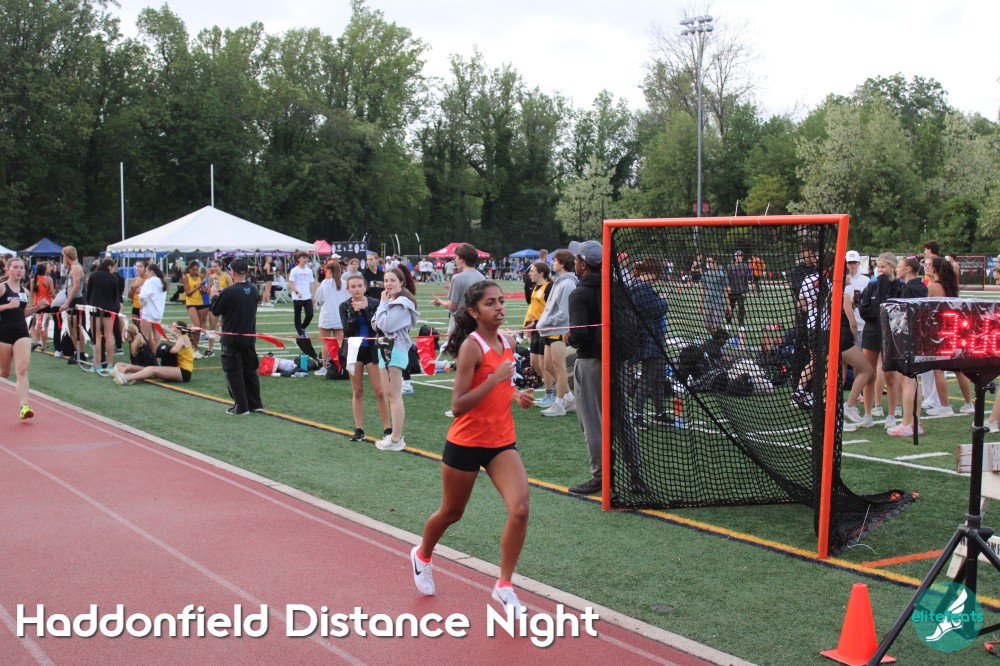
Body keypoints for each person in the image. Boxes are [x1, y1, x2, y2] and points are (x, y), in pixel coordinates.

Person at [410, 280, 534, 616]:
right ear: (474, 311)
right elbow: (458, 404)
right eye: (490, 303)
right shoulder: (471, 347)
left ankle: (504, 586)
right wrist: (495, 380)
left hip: (501, 442)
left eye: (500, 301)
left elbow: (501, 386)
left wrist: (515, 395)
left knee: (520, 508)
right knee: (452, 513)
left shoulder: (507, 341)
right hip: (465, 442)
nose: (499, 307)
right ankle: (422, 555)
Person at [566, 240, 603, 495]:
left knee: (592, 421)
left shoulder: (579, 293)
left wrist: (569, 338)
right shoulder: (614, 287)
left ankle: (599, 476)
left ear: (583, 264)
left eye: (577, 259)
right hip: (616, 361)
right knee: (621, 421)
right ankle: (634, 475)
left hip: (591, 361)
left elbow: (579, 335)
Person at [340, 274, 392, 442]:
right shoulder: (344, 306)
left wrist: (364, 310)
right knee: (357, 391)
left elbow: (378, 327)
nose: (356, 289)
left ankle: (387, 429)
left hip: (372, 349)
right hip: (354, 350)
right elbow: (347, 331)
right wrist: (354, 314)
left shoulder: (375, 303)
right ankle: (359, 429)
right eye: (353, 286)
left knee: (380, 391)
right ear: (348, 289)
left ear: (365, 287)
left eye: (359, 286)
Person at [209, 258, 263, 415]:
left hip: (232, 338)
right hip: (249, 336)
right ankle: (255, 403)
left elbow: (216, 310)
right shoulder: (253, 289)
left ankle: (241, 406)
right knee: (250, 370)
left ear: (232, 271)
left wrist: (214, 296)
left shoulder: (229, 292)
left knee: (233, 371)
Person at [372, 268, 419, 451]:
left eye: (392, 280)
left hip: (394, 349)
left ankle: (396, 438)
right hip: (385, 347)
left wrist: (382, 304)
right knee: (389, 393)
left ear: (401, 282)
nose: (388, 284)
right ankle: (394, 437)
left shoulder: (402, 303)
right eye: (386, 280)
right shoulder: (391, 301)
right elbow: (375, 323)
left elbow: (384, 324)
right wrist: (383, 307)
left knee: (394, 395)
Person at [924, 256, 974, 416]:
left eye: (930, 265)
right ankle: (969, 403)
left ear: (935, 269)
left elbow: (926, 308)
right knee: (958, 369)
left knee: (938, 369)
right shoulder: (951, 286)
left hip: (940, 330)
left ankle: (945, 406)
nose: (927, 267)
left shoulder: (933, 286)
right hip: (954, 328)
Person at [0, 257, 50, 419]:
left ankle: (24, 406)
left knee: (22, 370)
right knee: (4, 373)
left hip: (21, 333)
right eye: (15, 267)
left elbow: (22, 313)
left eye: (21, 267)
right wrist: (7, 306)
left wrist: (37, 308)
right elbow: (10, 308)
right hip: (3, 333)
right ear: (8, 270)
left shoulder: (25, 292)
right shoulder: (2, 288)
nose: (19, 270)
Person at [887, 256, 928, 437]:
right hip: (919, 336)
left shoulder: (908, 289)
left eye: (900, 266)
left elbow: (902, 316)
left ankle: (907, 423)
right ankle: (915, 421)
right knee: (913, 380)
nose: (897, 269)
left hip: (908, 337)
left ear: (909, 269)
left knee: (908, 380)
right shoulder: (922, 287)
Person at [535, 250, 578, 416]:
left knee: (559, 367)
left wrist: (546, 321)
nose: (552, 263)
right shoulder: (559, 281)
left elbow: (564, 313)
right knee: (547, 365)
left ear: (563, 263)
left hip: (559, 329)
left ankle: (559, 404)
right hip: (551, 329)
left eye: (555, 260)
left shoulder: (567, 284)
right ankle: (570, 398)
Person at [114, 321, 194, 385]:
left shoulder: (183, 338)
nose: (170, 328)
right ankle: (129, 377)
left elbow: (174, 350)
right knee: (150, 369)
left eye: (172, 327)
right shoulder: (181, 339)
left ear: (179, 330)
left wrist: (165, 348)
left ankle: (125, 378)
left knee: (152, 369)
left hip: (184, 372)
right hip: (179, 370)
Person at [432, 244, 485, 335]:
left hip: (459, 323)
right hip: (476, 322)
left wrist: (439, 301)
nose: (455, 260)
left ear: (462, 260)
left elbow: (452, 306)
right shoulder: (482, 277)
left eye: (456, 257)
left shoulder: (457, 278)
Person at [523, 261, 555, 407]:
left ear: (541, 273)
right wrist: (528, 323)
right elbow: (532, 307)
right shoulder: (535, 287)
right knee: (534, 363)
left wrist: (536, 323)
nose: (530, 274)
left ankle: (550, 394)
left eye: (532, 271)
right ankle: (553, 384)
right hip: (536, 328)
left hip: (545, 329)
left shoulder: (549, 287)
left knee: (543, 364)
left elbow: (549, 310)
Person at [315, 260, 349, 376]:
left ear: (328, 271)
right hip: (340, 317)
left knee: (325, 343)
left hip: (327, 316)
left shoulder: (325, 283)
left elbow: (318, 299)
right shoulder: (344, 283)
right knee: (340, 343)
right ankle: (340, 365)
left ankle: (325, 367)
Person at [87, 258, 122, 372]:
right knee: (109, 336)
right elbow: (116, 296)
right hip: (108, 308)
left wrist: (89, 304)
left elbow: (89, 292)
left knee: (96, 336)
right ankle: (110, 364)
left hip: (95, 307)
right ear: (110, 267)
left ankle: (97, 364)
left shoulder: (93, 275)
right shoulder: (113, 278)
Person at [58, 246, 86, 364]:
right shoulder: (71, 267)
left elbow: (76, 287)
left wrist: (66, 303)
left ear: (66, 256)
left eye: (63, 256)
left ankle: (81, 353)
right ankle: (77, 351)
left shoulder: (77, 267)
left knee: (76, 327)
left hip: (76, 300)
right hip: (72, 299)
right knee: (71, 326)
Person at [183, 261, 209, 357]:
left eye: (196, 270)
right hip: (191, 303)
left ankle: (195, 349)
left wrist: (203, 290)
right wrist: (198, 287)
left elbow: (201, 292)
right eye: (193, 270)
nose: (195, 272)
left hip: (200, 302)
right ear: (189, 269)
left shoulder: (200, 277)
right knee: (196, 325)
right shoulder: (186, 277)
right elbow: (188, 293)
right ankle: (190, 344)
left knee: (199, 328)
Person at [138, 263, 168, 348]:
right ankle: (157, 356)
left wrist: (142, 303)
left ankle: (144, 355)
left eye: (147, 271)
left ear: (151, 271)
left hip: (148, 313)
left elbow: (142, 296)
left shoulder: (149, 281)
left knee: (144, 338)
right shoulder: (162, 282)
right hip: (158, 313)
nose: (146, 273)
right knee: (157, 338)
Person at [29, 262, 54, 352]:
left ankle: (36, 342)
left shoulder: (33, 280)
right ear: (45, 271)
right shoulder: (49, 280)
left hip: (36, 304)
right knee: (45, 326)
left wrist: (32, 306)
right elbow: (52, 293)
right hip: (47, 304)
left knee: (34, 325)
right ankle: (43, 345)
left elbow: (31, 295)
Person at [288, 252, 315, 337]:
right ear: (299, 259)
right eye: (303, 258)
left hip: (307, 296)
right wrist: (297, 292)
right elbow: (290, 284)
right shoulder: (294, 270)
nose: (305, 260)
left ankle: (302, 328)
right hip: (297, 297)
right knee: (297, 316)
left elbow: (311, 283)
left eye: (306, 258)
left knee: (310, 314)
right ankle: (300, 333)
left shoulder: (309, 271)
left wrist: (313, 295)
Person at [725, 250, 751, 329]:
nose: (739, 257)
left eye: (741, 256)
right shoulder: (730, 266)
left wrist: (746, 290)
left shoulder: (745, 266)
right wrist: (728, 286)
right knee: (730, 308)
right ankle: (728, 323)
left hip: (741, 291)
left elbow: (746, 279)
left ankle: (741, 325)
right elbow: (727, 278)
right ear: (735, 257)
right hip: (732, 291)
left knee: (741, 308)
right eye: (738, 256)